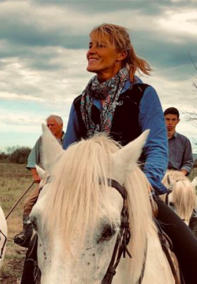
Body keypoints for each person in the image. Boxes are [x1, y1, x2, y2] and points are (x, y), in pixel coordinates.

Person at [62, 23, 197, 284]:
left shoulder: (143, 94)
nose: (91, 51)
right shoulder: (80, 103)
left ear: (121, 54)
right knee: (38, 243)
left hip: (133, 184)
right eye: (90, 45)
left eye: (100, 45)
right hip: (87, 188)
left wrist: (148, 183)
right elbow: (69, 149)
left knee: (191, 251)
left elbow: (157, 144)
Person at [14, 115, 64, 247]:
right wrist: (35, 174)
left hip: (65, 181)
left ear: (61, 125)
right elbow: (32, 159)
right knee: (28, 203)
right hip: (47, 179)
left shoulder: (70, 139)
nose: (49, 128)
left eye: (52, 125)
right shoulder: (42, 140)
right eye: (47, 125)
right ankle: (27, 234)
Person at [164, 107, 194, 176]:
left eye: (173, 119)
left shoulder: (184, 141)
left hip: (176, 177)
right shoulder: (155, 139)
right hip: (156, 175)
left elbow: (188, 162)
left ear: (178, 121)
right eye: (167, 119)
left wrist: (180, 175)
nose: (170, 122)